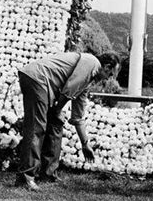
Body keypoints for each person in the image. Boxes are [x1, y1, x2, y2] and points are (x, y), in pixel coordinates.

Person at [15, 52, 120, 191]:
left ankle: (48, 175)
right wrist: (57, 110)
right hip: (36, 78)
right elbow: (69, 89)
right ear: (106, 67)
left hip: (42, 83)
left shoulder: (88, 80)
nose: (109, 79)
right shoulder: (91, 62)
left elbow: (78, 117)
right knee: (36, 127)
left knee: (56, 124)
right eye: (111, 74)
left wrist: (85, 144)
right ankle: (25, 178)